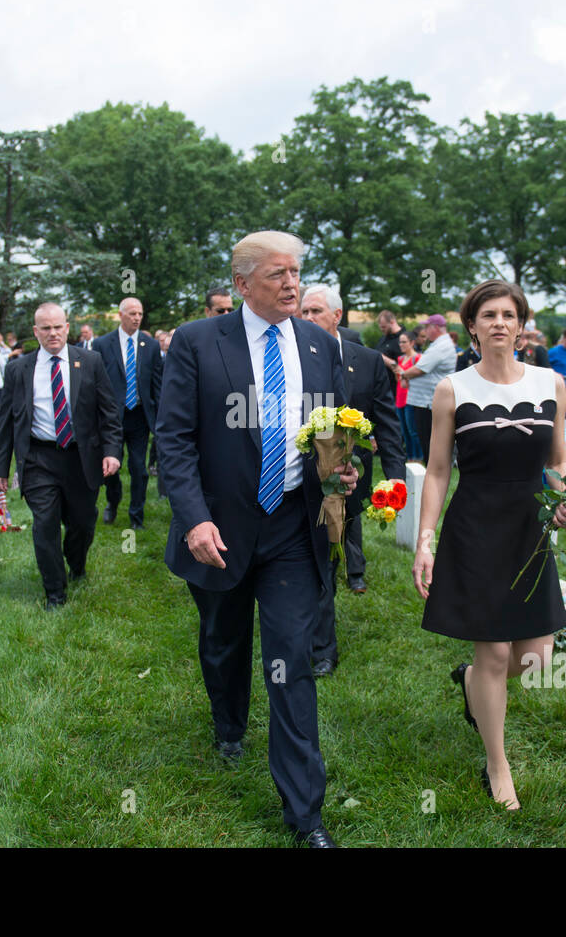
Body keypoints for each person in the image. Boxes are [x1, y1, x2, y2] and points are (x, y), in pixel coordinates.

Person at [155, 230, 356, 848]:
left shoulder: (321, 346)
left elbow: (339, 430)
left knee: (291, 659)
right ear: (242, 284)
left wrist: (343, 468)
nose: (292, 284)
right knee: (224, 639)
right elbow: (175, 440)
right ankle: (228, 724)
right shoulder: (196, 343)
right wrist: (195, 518)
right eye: (277, 275)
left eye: (296, 273)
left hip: (294, 530)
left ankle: (306, 816)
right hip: (217, 527)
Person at [413, 280, 566, 810]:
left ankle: (470, 684)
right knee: (492, 651)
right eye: (488, 315)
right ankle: (497, 763)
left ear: (521, 323)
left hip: (530, 529)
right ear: (473, 326)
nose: (499, 323)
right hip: (475, 525)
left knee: (535, 655)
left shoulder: (550, 382)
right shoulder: (452, 390)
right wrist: (425, 539)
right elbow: (439, 470)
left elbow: (557, 459)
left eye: (508, 314)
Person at [302, 283, 405, 674]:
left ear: (336, 316)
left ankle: (322, 646)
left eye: (314, 311)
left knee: (331, 555)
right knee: (313, 559)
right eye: (303, 312)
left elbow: (388, 426)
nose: (307, 318)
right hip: (298, 478)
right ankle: (315, 642)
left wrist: (393, 481)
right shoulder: (292, 356)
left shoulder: (367, 361)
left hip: (350, 478)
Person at [0, 303, 122, 608]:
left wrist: (113, 452)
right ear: (36, 332)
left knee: (82, 523)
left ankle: (76, 564)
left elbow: (109, 413)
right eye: (45, 328)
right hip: (39, 458)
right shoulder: (18, 369)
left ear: (67, 328)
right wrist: (0, 468)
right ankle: (54, 591)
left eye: (58, 327)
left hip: (80, 458)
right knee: (44, 523)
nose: (53, 333)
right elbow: (7, 421)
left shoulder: (90, 361)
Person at [95, 297, 162, 530]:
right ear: (121, 315)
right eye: (132, 313)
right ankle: (113, 502)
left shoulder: (150, 345)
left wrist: (160, 414)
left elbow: (157, 384)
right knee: (111, 468)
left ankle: (136, 516)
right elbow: (96, 383)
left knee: (139, 468)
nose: (137, 318)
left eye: (140, 314)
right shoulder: (102, 344)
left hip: (140, 417)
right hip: (112, 418)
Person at [400, 314, 455, 465]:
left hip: (428, 403)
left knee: (427, 441)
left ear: (435, 328)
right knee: (423, 439)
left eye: (426, 327)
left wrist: (403, 374)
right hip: (425, 402)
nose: (424, 330)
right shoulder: (439, 344)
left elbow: (420, 369)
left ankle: (431, 474)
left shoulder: (441, 346)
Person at [396, 330, 423, 462]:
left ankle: (418, 457)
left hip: (411, 398)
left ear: (412, 343)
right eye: (400, 342)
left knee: (413, 430)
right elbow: (399, 380)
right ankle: (410, 457)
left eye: (404, 342)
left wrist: (404, 374)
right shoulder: (400, 359)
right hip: (399, 397)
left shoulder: (417, 358)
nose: (401, 344)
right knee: (404, 431)